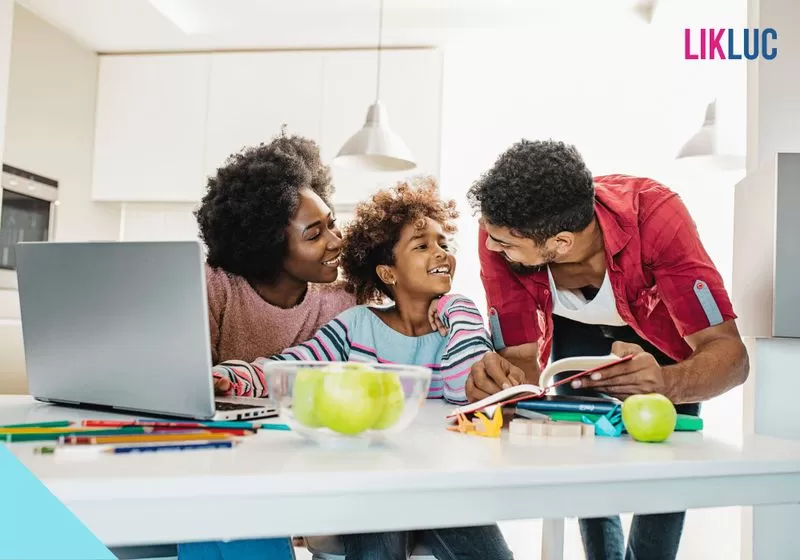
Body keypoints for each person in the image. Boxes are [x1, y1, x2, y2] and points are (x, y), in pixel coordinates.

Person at [464, 139, 749, 560]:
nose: (491, 248)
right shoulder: (503, 229)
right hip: (570, 338)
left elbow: (729, 354)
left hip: (662, 344)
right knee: (581, 454)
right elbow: (522, 358)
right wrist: (501, 386)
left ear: (560, 243)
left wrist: (668, 382)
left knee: (666, 464)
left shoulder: (656, 216)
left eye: (504, 243)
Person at [213, 178, 515, 560]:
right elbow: (294, 367)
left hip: (444, 487)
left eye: (443, 243)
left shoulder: (459, 323)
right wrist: (232, 376)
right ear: (388, 274)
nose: (440, 253)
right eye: (422, 246)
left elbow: (463, 393)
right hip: (372, 485)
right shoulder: (356, 326)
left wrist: (457, 306)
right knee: (376, 536)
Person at [179, 132, 356, 560]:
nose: (335, 241)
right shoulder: (214, 288)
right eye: (314, 234)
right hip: (222, 460)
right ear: (269, 246)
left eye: (332, 223)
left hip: (304, 457)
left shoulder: (345, 299)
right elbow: (188, 390)